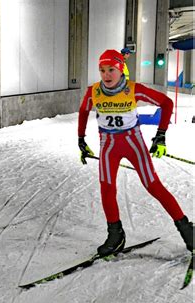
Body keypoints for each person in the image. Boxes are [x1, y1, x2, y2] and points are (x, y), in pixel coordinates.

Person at [77, 49, 193, 256]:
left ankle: (187, 230)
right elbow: (84, 110)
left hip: (133, 144)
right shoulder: (93, 91)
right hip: (108, 145)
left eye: (111, 69)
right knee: (106, 187)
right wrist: (81, 139)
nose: (106, 74)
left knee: (153, 185)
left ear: (121, 69)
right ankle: (115, 234)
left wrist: (161, 135)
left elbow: (166, 103)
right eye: (102, 70)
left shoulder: (134, 89)